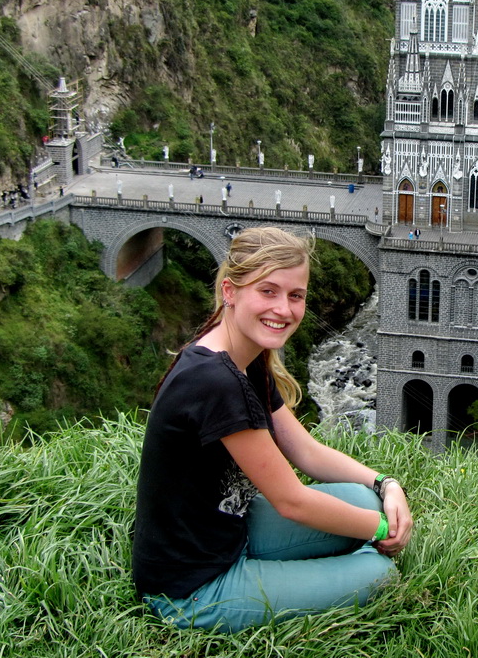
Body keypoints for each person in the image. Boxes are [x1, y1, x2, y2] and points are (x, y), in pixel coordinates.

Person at [132, 226, 412, 632]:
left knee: (363, 499)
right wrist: (384, 531)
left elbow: (305, 451)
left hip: (228, 531)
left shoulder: (242, 359)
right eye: (268, 291)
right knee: (377, 574)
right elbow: (291, 501)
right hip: (191, 586)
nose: (284, 308)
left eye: (295, 295)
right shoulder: (216, 382)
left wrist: (385, 484)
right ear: (230, 291)